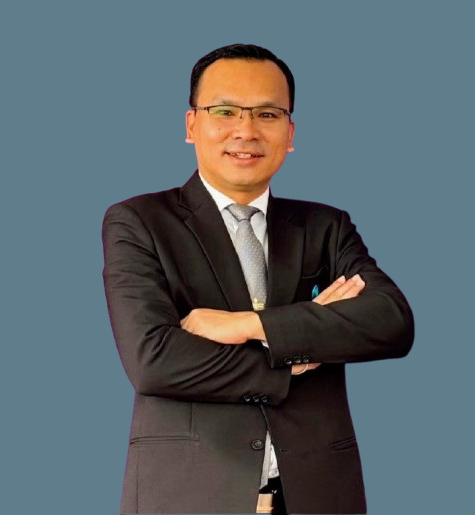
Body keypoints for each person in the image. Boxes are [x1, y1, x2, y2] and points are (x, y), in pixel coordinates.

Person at [102, 43, 414, 514]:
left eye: (267, 114)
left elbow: (390, 322)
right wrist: (294, 355)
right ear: (192, 125)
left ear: (290, 133)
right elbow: (154, 361)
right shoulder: (139, 221)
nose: (246, 130)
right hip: (189, 496)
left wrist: (250, 326)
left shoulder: (325, 227)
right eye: (225, 111)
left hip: (319, 497)